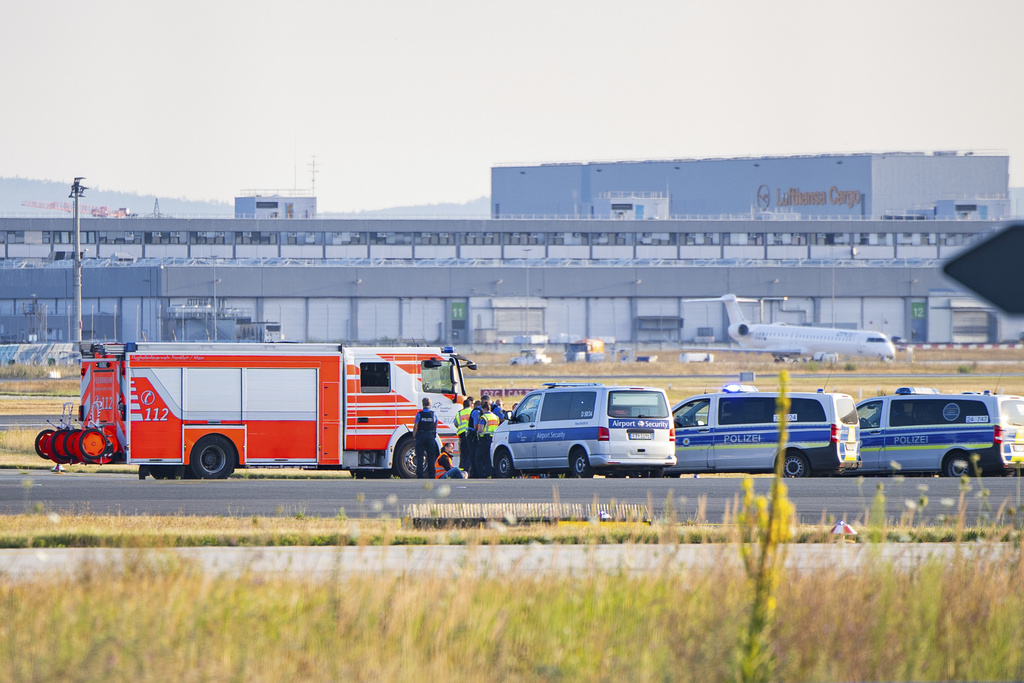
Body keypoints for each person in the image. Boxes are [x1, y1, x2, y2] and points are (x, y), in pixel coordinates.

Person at [412, 397, 438, 479]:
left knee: (420, 456)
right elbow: (435, 424)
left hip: (421, 436)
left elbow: (416, 426)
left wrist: (414, 435)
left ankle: (420, 475)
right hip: (430, 436)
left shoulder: (419, 414)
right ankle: (432, 475)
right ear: (430, 404)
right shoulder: (433, 414)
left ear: (423, 404)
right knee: (431, 456)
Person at [475, 398, 499, 478]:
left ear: (484, 408)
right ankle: (490, 474)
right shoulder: (496, 417)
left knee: (478, 457)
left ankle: (481, 475)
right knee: (489, 458)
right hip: (493, 439)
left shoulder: (483, 417)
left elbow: (480, 429)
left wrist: (477, 432)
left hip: (484, 440)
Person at [466, 397, 486, 478]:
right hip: (472, 435)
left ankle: (473, 472)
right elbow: (475, 426)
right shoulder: (477, 412)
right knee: (474, 455)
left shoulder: (476, 411)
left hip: (470, 435)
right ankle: (473, 473)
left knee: (473, 455)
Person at [456, 397, 474, 473]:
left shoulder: (459, 413)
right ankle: (467, 470)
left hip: (462, 435)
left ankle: (462, 471)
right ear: (471, 405)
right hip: (470, 435)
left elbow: (456, 423)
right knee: (470, 453)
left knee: (463, 453)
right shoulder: (472, 412)